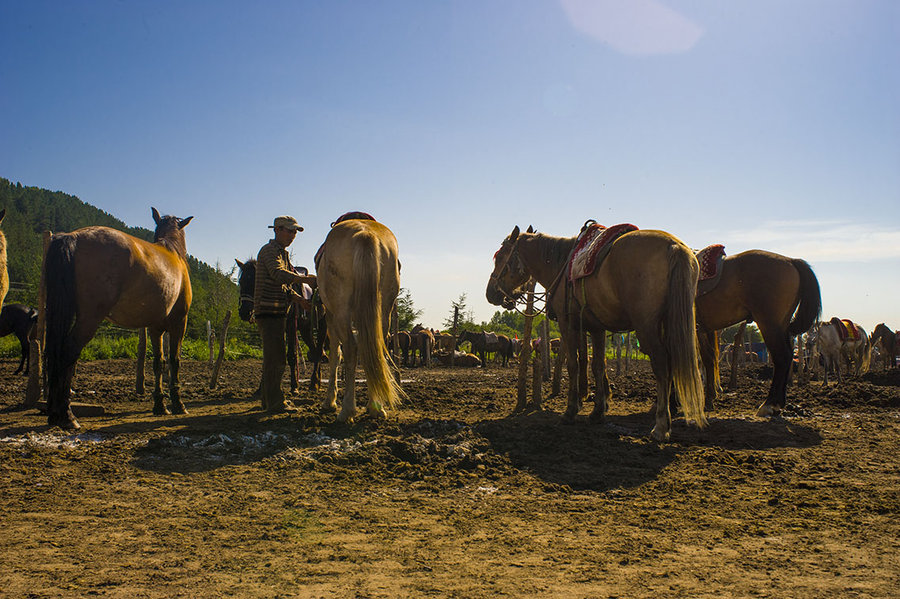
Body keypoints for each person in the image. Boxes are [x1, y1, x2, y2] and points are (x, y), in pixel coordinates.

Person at [254, 215, 316, 413]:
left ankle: (269, 400)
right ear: (277, 230)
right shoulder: (269, 251)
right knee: (276, 359)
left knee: (275, 357)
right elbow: (278, 274)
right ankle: (274, 403)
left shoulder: (282, 253)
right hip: (268, 311)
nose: (292, 235)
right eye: (289, 231)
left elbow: (283, 285)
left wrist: (299, 301)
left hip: (277, 311)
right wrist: (306, 280)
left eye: (295, 232)